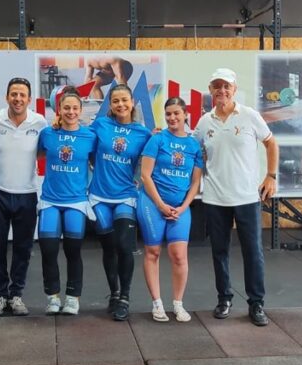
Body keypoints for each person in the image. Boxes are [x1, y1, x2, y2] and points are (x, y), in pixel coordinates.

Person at [194, 68, 278, 327]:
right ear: (210, 91)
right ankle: (224, 298)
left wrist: (271, 176)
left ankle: (256, 303)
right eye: (216, 86)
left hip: (246, 197)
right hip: (215, 197)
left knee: (253, 252)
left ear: (234, 89)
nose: (222, 91)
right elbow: (197, 153)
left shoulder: (250, 116)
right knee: (219, 252)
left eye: (226, 86)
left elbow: (271, 142)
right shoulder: (203, 122)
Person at [0, 77, 48, 316]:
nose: (18, 99)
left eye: (22, 95)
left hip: (27, 193)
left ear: (29, 99)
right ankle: (0, 295)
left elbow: (43, 150)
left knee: (23, 247)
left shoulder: (39, 122)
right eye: (14, 94)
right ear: (6, 96)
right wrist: (0, 166)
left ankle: (16, 295)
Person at [89, 84, 152, 321]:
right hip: (99, 196)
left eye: (124, 100)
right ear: (110, 105)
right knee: (109, 247)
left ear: (132, 102)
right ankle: (114, 293)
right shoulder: (100, 125)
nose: (120, 105)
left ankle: (124, 297)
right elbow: (86, 148)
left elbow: (152, 161)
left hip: (126, 195)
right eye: (115, 101)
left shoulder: (143, 133)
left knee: (125, 247)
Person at [138, 97, 203, 323]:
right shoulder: (157, 140)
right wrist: (160, 205)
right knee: (153, 253)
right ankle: (157, 304)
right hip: (152, 204)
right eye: (168, 114)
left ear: (185, 114)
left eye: (176, 113)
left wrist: (183, 207)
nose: (172, 118)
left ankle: (178, 304)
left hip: (180, 208)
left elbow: (195, 182)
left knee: (178, 256)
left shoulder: (194, 145)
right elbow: (145, 175)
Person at [36, 88, 97, 315]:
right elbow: (37, 155)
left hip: (76, 202)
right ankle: (52, 297)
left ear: (80, 110)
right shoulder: (47, 134)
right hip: (50, 201)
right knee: (49, 250)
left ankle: (72, 297)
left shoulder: (90, 136)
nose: (71, 112)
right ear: (58, 110)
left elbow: (96, 163)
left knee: (73, 251)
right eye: (66, 108)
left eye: (75, 108)